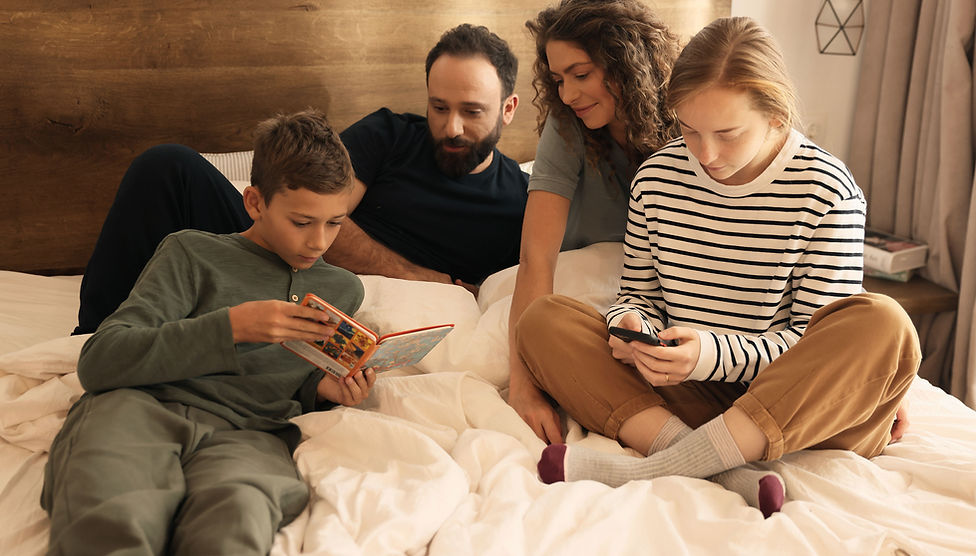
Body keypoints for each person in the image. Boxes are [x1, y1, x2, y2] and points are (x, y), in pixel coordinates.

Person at [515, 17, 920, 518]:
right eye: (688, 131)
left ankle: (653, 466)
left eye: (727, 134)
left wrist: (712, 354)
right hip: (691, 395)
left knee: (883, 322)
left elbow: (815, 345)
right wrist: (632, 323)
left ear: (775, 116)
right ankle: (726, 469)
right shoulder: (658, 179)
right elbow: (639, 294)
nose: (705, 154)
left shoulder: (826, 189)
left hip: (800, 408)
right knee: (543, 320)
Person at [41, 109, 378, 554]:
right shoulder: (191, 251)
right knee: (111, 518)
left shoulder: (342, 290)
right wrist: (232, 327)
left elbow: (289, 379)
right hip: (141, 407)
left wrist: (323, 388)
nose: (319, 241)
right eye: (302, 222)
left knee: (234, 524)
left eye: (334, 223)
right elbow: (100, 360)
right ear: (255, 202)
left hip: (251, 435)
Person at [74, 23, 527, 335]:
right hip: (282, 246)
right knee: (167, 167)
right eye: (439, 107)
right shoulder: (390, 134)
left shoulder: (520, 205)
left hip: (334, 302)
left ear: (508, 109)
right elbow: (316, 208)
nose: (450, 127)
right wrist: (421, 276)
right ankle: (91, 338)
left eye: (471, 112)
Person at [508, 0, 681, 444]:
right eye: (558, 80)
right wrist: (523, 388)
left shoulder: (690, 119)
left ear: (625, 64)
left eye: (581, 75)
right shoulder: (568, 126)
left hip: (665, 295)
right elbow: (536, 259)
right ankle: (677, 443)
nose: (566, 95)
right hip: (584, 283)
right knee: (545, 325)